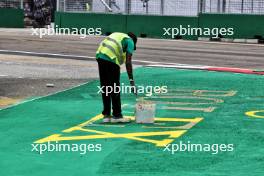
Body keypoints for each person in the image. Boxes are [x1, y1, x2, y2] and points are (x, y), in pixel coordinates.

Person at [96, 32, 137, 123]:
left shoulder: (118, 36)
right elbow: (128, 62)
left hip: (100, 57)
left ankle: (106, 116)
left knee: (105, 87)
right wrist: (132, 81)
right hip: (111, 59)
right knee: (115, 87)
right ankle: (117, 115)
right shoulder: (130, 41)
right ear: (134, 41)